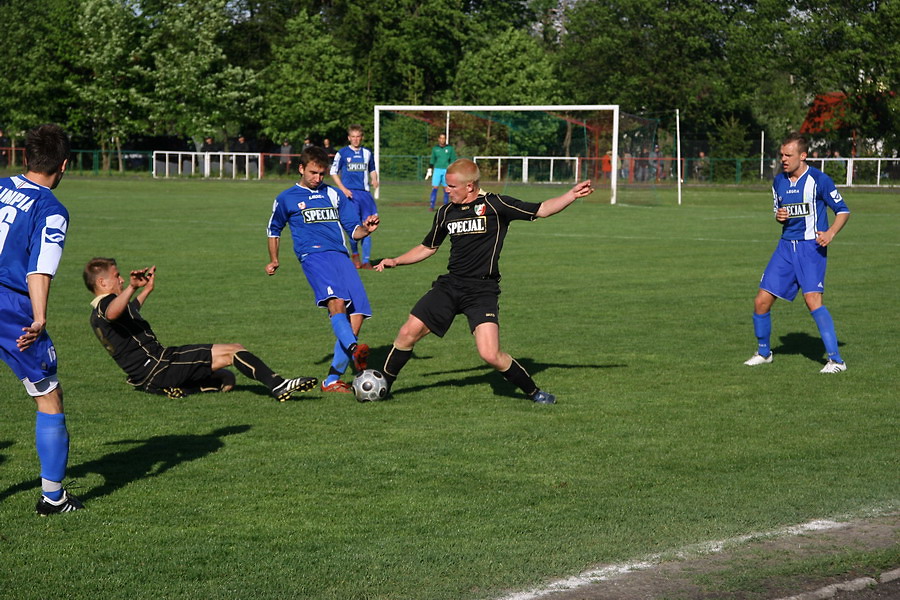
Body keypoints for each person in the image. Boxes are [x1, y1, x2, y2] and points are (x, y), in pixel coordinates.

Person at [375, 158, 594, 404]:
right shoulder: (446, 212)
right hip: (450, 285)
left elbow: (542, 209)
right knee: (407, 333)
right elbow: (428, 247)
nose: (446, 190)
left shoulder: (496, 204)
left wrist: (570, 195)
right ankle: (381, 386)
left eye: (451, 186)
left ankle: (535, 393)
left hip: (482, 290)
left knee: (490, 354)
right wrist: (396, 260)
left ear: (469, 186)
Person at [84, 258, 317, 400]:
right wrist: (133, 287)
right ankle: (278, 384)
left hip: (147, 375)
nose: (122, 279)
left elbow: (128, 312)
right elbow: (115, 311)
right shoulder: (105, 305)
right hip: (160, 365)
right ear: (103, 283)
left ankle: (175, 390)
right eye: (117, 276)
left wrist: (146, 290)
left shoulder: (97, 314)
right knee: (233, 351)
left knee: (226, 379)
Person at [0, 124, 82, 514]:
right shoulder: (51, 209)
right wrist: (39, 317)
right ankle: (53, 498)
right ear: (63, 165)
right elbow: (39, 269)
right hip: (10, 308)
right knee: (48, 394)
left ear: (26, 157)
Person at [267, 146, 380, 393]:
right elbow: (274, 230)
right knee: (336, 302)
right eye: (313, 173)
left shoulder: (334, 194)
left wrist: (367, 230)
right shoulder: (286, 198)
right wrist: (274, 259)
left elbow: (353, 229)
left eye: (322, 173)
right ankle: (354, 350)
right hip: (313, 256)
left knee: (358, 313)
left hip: (340, 257)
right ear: (301, 169)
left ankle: (331, 380)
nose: (318, 178)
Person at [744, 132, 850, 373]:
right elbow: (779, 212)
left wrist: (831, 233)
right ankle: (764, 353)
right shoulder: (779, 181)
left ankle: (836, 361)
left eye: (788, 155)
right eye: (782, 154)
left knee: (813, 301)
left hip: (811, 248)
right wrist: (779, 216)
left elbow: (843, 210)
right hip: (785, 248)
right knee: (761, 301)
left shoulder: (819, 180)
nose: (783, 159)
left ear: (803, 156)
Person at [330, 124, 379, 269]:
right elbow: (333, 172)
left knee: (369, 226)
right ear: (349, 138)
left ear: (361, 137)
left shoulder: (367, 153)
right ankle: (355, 254)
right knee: (354, 227)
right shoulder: (343, 153)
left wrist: (374, 179)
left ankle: (366, 261)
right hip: (350, 195)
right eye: (353, 137)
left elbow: (372, 169)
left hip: (365, 195)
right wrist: (343, 189)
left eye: (358, 136)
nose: (356, 139)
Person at [426, 133, 457, 210]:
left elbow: (453, 159)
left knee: (446, 188)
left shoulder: (450, 148)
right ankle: (432, 206)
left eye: (444, 138)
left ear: (445, 139)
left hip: (446, 170)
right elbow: (432, 159)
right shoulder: (435, 149)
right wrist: (430, 169)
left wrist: (452, 169)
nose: (442, 140)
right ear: (438, 139)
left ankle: (446, 206)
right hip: (437, 169)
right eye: (441, 138)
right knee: (435, 187)